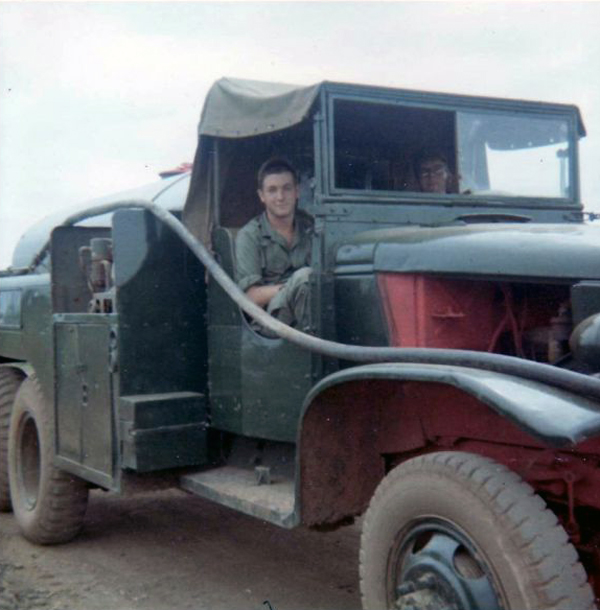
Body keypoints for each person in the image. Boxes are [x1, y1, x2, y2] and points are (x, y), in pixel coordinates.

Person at [235, 157, 313, 333]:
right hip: (270, 321)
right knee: (305, 278)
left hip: (311, 310)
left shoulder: (310, 227)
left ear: (297, 192)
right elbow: (250, 297)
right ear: (262, 196)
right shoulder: (250, 235)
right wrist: (293, 287)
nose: (280, 197)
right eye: (272, 190)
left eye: (287, 188)